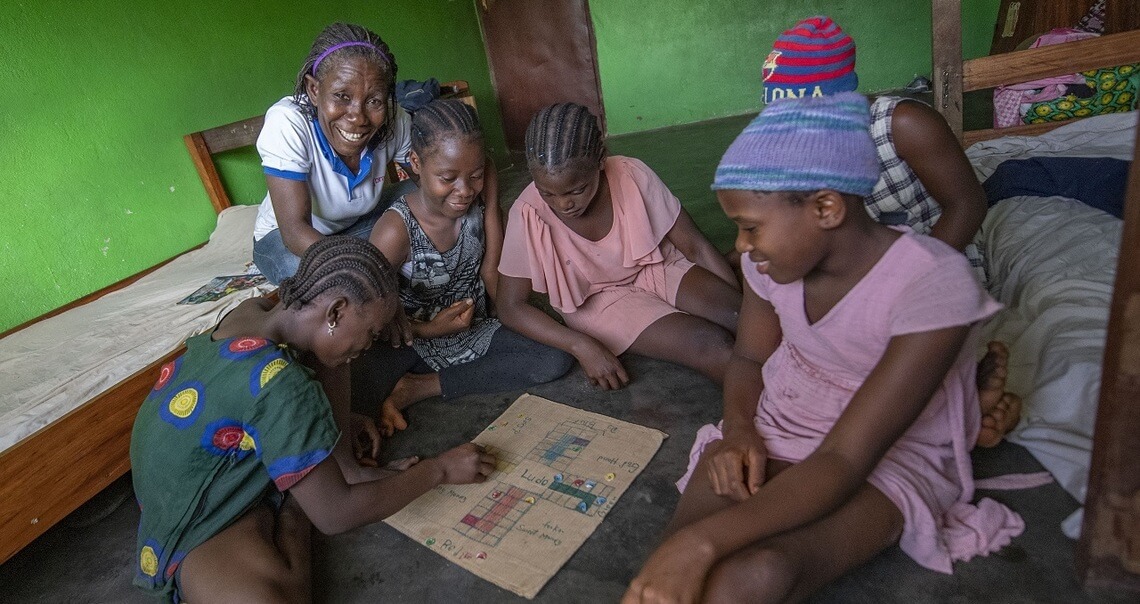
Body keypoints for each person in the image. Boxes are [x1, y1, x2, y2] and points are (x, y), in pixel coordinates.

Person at [622, 94, 1024, 603]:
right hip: (786, 412)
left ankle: (955, 405)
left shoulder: (933, 284)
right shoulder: (771, 266)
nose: (740, 246)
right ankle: (961, 400)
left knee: (758, 573)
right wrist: (740, 431)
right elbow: (749, 358)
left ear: (826, 208)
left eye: (750, 227)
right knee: (670, 573)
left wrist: (702, 544)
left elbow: (845, 459)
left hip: (881, 448)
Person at [130, 236, 495, 603]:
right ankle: (298, 496)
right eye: (371, 333)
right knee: (282, 594)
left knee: (334, 352)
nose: (370, 344)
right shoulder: (283, 386)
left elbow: (262, 390)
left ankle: (326, 471)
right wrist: (439, 470)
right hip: (191, 515)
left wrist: (328, 432)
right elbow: (335, 516)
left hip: (180, 471)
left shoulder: (253, 309)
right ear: (335, 311)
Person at [761, 15, 1020, 447]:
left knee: (897, 343)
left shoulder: (903, 125)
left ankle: (959, 410)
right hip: (849, 262)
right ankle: (952, 414)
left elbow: (967, 205)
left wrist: (903, 280)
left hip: (931, 257)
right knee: (802, 337)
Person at [356, 99, 573, 434]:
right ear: (415, 163)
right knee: (355, 384)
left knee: (554, 356)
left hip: (476, 327)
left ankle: (418, 387)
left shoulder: (484, 184)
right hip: (412, 340)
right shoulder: (396, 230)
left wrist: (511, 314)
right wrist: (431, 329)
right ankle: (414, 380)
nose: (465, 191)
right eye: (448, 178)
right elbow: (369, 318)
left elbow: (491, 269)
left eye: (475, 175)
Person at [496, 103, 741, 390]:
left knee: (745, 320)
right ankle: (768, 415)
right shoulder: (528, 212)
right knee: (712, 345)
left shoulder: (630, 174)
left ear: (601, 159)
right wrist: (580, 345)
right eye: (547, 193)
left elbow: (694, 245)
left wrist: (734, 300)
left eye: (577, 190)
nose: (563, 204)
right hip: (597, 302)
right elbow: (510, 306)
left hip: (655, 264)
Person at [251, 23, 453, 284]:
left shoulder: (396, 118)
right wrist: (365, 268)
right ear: (314, 90)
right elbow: (294, 231)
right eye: (341, 96)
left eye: (374, 101)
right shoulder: (288, 122)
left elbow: (433, 184)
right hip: (287, 239)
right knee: (313, 277)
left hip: (360, 223)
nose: (358, 117)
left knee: (441, 194)